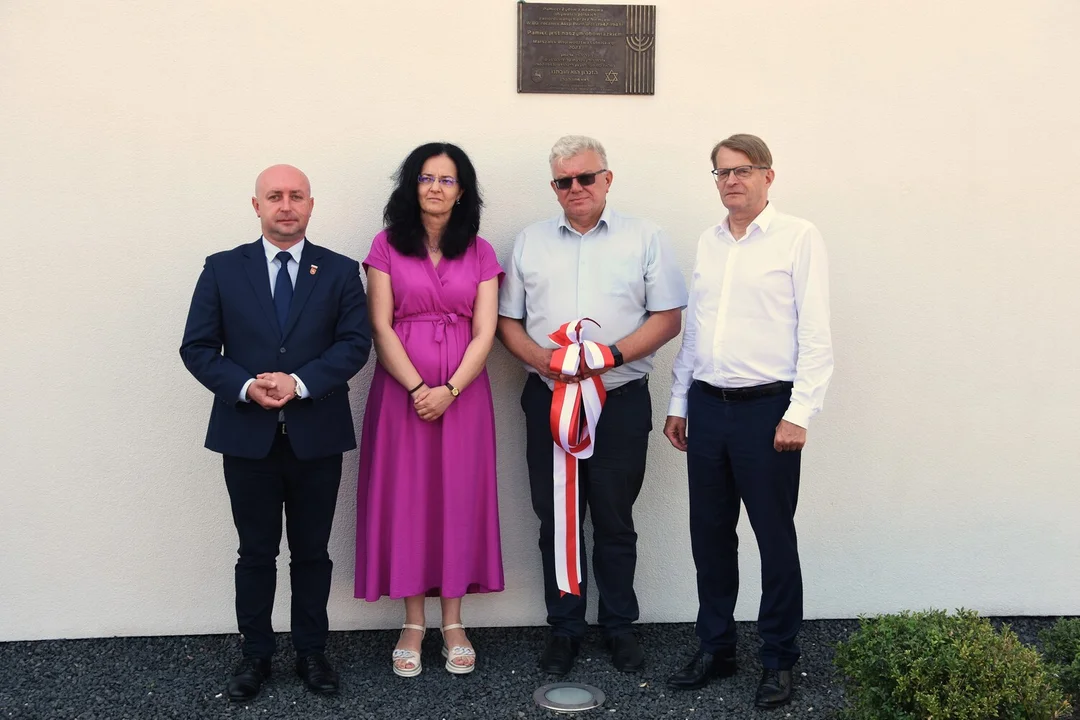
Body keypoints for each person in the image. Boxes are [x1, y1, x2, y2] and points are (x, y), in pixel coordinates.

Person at [179, 164, 372, 702]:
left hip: (317, 435)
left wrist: (301, 382)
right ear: (256, 205)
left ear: (311, 205)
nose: (285, 205)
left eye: (296, 196)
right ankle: (255, 656)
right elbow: (196, 348)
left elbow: (355, 344)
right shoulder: (221, 269)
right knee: (256, 553)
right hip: (247, 436)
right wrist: (244, 386)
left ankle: (312, 653)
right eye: (274, 197)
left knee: (312, 552)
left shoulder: (337, 271)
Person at [497, 135, 687, 675]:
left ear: (607, 178)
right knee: (555, 519)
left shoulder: (646, 237)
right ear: (554, 186)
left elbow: (667, 315)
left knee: (614, 517)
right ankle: (565, 627)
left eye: (585, 177)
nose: (575, 188)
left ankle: (619, 626)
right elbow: (508, 320)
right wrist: (541, 358)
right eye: (564, 181)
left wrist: (614, 354)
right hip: (549, 399)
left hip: (619, 399)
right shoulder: (530, 241)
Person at [663, 134, 833, 710]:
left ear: (768, 176)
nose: (731, 181)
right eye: (721, 172)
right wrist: (679, 403)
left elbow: (815, 333)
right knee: (709, 536)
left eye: (743, 170)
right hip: (709, 407)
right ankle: (717, 647)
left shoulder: (798, 237)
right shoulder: (710, 243)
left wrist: (799, 413)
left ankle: (779, 658)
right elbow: (696, 332)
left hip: (769, 412)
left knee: (774, 538)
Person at [354, 142, 504, 677]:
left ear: (462, 191)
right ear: (411, 186)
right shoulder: (387, 245)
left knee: (458, 497)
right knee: (408, 498)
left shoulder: (481, 251)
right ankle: (413, 622)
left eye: (447, 179)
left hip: (464, 397)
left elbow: (486, 330)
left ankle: (455, 621)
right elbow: (380, 324)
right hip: (401, 395)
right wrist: (420, 387)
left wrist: (450, 390)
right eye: (426, 177)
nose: (436, 187)